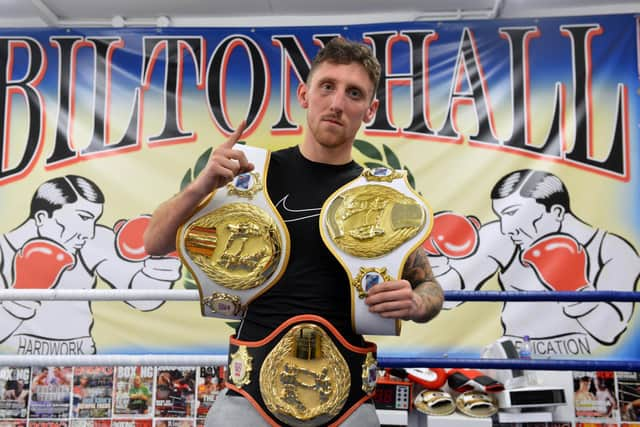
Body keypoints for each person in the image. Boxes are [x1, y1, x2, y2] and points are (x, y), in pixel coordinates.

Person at [144, 37, 444, 426]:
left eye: (354, 93)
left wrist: (417, 303)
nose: (337, 103)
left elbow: (430, 288)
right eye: (327, 87)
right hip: (248, 400)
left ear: (370, 109)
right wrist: (200, 187)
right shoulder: (248, 175)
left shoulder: (382, 198)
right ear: (304, 94)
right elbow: (154, 242)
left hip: (348, 403)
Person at [428, 169, 639, 356]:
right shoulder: (506, 238)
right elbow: (445, 296)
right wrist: (434, 257)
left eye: (512, 213)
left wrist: (576, 287)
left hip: (586, 371)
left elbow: (610, 331)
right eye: (501, 216)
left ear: (555, 212)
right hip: (518, 366)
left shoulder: (614, 250)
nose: (506, 227)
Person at [0, 175, 182, 354]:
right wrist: (19, 300)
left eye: (94, 220)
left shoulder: (89, 242)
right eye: (83, 217)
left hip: (81, 369)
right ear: (42, 217)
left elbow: (144, 299)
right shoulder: (3, 250)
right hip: (12, 372)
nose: (88, 232)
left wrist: (162, 260)